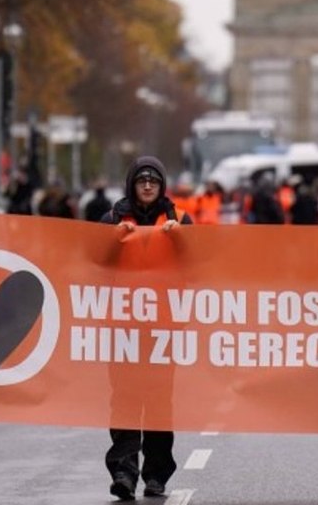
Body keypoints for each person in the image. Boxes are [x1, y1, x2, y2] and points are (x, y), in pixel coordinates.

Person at [100, 156, 193, 501]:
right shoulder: (110, 219)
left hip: (162, 332)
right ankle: (124, 472)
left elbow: (199, 263)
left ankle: (156, 475)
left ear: (162, 185)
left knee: (158, 403)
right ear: (132, 185)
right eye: (142, 181)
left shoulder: (180, 220)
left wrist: (181, 239)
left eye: (154, 180)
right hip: (122, 329)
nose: (149, 186)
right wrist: (112, 240)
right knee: (123, 400)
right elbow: (92, 263)